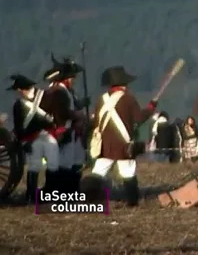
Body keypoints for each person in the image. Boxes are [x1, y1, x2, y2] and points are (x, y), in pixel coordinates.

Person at [83, 66, 156, 206]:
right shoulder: (128, 98)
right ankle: (132, 202)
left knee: (98, 172)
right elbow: (139, 118)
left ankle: (88, 198)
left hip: (105, 145)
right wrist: (151, 109)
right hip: (123, 145)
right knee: (128, 173)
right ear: (124, 84)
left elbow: (97, 121)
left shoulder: (101, 99)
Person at [8, 74, 62, 203]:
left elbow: (54, 115)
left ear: (22, 89)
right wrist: (23, 141)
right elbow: (19, 126)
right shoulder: (19, 105)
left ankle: (50, 194)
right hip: (32, 138)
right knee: (34, 166)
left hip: (47, 135)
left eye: (19, 89)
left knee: (53, 164)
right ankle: (31, 196)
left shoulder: (45, 97)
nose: (18, 92)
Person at [42, 55, 90, 193]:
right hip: (64, 130)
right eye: (71, 77)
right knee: (64, 163)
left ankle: (71, 189)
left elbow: (71, 105)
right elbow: (62, 112)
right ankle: (61, 191)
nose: (73, 80)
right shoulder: (58, 92)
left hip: (72, 130)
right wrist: (77, 115)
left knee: (73, 161)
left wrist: (81, 104)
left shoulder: (65, 91)